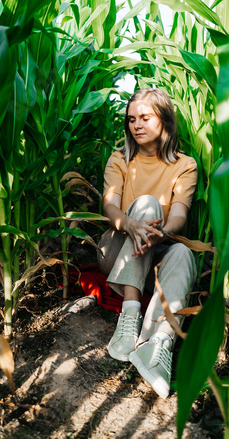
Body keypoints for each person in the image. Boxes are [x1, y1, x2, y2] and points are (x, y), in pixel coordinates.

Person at [97, 88, 197, 399]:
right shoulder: (120, 159)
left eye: (145, 118)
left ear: (165, 120)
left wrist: (160, 234)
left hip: (156, 251)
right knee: (147, 205)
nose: (136, 125)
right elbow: (110, 206)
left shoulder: (185, 165)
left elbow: (179, 215)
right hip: (116, 251)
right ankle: (129, 316)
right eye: (131, 119)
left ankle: (157, 344)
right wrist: (132, 224)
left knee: (183, 251)